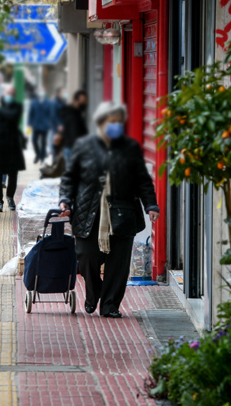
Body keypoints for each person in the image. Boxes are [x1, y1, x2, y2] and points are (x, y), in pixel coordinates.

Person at [58, 102, 159, 318]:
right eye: (110, 121)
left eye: (118, 122)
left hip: (123, 212)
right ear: (101, 122)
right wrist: (65, 199)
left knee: (118, 264)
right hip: (89, 213)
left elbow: (142, 180)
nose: (114, 126)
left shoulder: (129, 147)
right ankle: (94, 294)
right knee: (86, 256)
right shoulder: (84, 145)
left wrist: (151, 204)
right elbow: (70, 177)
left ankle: (110, 305)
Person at [59, 90, 89, 162]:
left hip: (73, 149)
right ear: (75, 101)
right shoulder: (72, 115)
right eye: (83, 101)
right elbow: (74, 135)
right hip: (72, 150)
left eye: (86, 101)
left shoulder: (77, 113)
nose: (85, 103)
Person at [28, 92, 54, 164]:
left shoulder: (48, 102)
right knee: (34, 140)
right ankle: (38, 154)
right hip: (36, 125)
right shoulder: (34, 102)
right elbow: (31, 113)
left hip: (45, 125)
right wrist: (29, 123)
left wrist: (51, 124)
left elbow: (51, 114)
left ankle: (42, 158)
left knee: (43, 142)